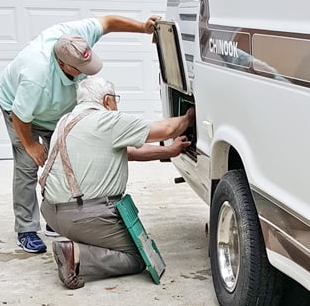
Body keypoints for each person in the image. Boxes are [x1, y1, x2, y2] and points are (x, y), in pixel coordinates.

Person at [0, 14, 161, 254]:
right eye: (81, 69)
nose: (87, 71)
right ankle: (26, 228)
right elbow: (20, 116)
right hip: (19, 112)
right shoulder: (36, 76)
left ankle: (57, 217)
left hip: (55, 112)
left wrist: (143, 28)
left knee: (66, 159)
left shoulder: (75, 38)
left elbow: (107, 22)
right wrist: (31, 144)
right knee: (28, 165)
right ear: (63, 64)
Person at [39, 76, 194, 290]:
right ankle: (75, 254)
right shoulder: (107, 121)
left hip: (51, 212)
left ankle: (81, 244)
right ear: (108, 100)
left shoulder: (67, 120)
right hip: (83, 216)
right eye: (116, 99)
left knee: (104, 235)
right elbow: (167, 129)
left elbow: (125, 152)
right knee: (137, 256)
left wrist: (167, 151)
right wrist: (190, 116)